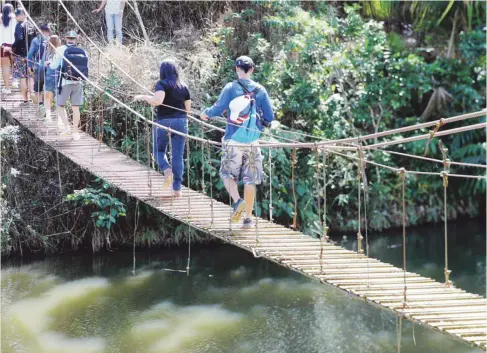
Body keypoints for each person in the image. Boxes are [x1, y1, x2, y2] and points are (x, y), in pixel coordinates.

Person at [201, 56, 274, 228]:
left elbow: (218, 109)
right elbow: (270, 117)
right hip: (253, 141)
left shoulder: (231, 88)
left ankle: (238, 201)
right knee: (250, 180)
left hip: (233, 139)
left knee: (227, 175)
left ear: (236, 69)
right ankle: (248, 218)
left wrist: (206, 114)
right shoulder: (260, 90)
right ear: (252, 70)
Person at [134, 59, 191, 198]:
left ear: (162, 71)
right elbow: (188, 109)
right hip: (182, 122)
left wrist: (143, 97)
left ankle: (167, 170)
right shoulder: (183, 86)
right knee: (177, 156)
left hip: (164, 122)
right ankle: (177, 189)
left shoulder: (161, 84)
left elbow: (157, 101)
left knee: (158, 151)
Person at [49, 30, 88, 140]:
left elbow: (54, 66)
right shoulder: (83, 51)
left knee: (60, 105)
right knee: (76, 108)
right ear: (76, 39)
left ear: (66, 39)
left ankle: (66, 127)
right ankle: (75, 132)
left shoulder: (61, 49)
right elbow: (86, 68)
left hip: (64, 82)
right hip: (78, 82)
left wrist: (49, 64)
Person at [27, 23, 50, 113]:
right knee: (48, 88)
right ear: (49, 31)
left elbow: (30, 54)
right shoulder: (53, 40)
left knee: (38, 88)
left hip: (38, 67)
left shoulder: (36, 40)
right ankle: (48, 106)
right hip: (51, 68)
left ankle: (41, 105)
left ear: (40, 31)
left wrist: (29, 66)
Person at [11, 8, 31, 104]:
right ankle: (32, 95)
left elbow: (19, 39)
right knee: (30, 76)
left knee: (22, 77)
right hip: (31, 56)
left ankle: (25, 99)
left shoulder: (19, 26)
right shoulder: (31, 26)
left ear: (21, 15)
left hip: (21, 55)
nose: (15, 17)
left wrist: (13, 46)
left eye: (16, 15)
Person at [41, 34, 61, 123]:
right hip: (59, 77)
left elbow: (42, 65)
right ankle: (60, 119)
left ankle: (48, 117)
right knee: (59, 98)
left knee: (47, 97)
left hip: (49, 76)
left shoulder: (46, 52)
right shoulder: (61, 51)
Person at [0, 3, 15, 94]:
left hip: (2, 46)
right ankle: (14, 81)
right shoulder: (15, 19)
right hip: (14, 45)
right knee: (15, 64)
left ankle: (7, 88)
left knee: (5, 67)